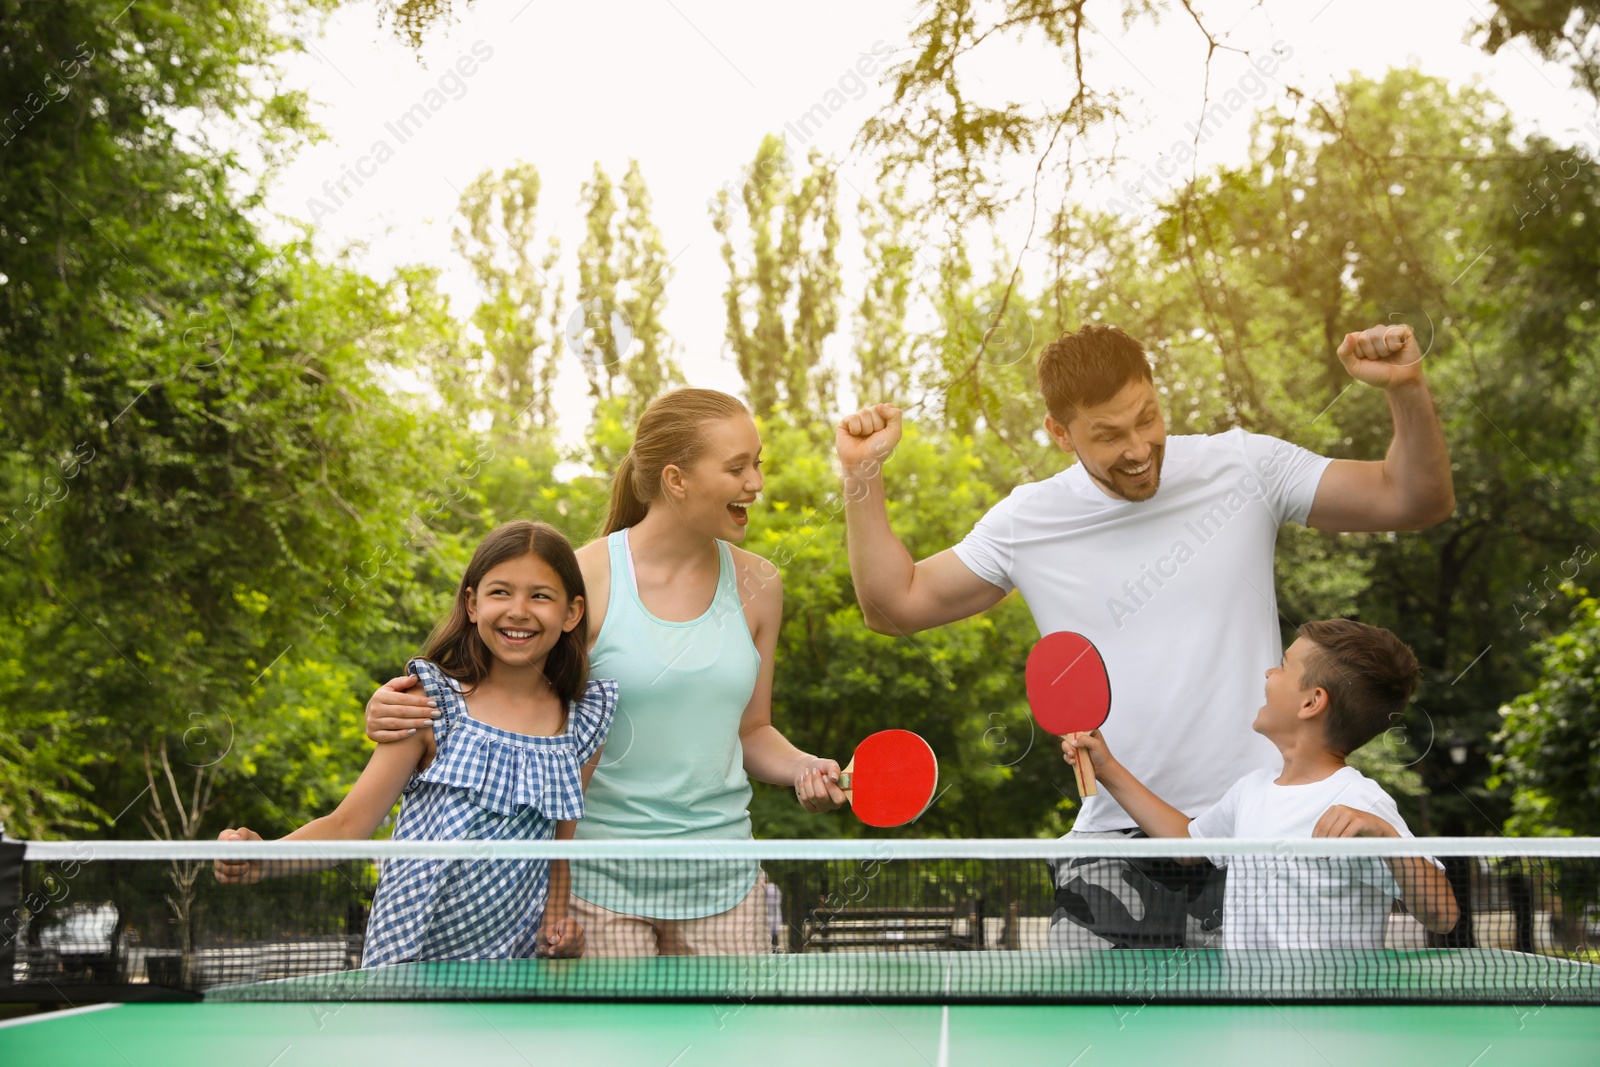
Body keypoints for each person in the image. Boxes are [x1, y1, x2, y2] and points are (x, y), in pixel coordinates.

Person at [837, 322, 1455, 949]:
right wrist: (862, 475)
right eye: (1107, 434)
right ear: (1059, 433)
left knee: (1254, 1042)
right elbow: (892, 607)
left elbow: (1414, 499)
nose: (1137, 448)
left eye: (1147, 418)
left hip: (1252, 842)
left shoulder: (1244, 465)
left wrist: (1404, 388)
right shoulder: (1028, 519)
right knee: (1094, 1047)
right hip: (1112, 848)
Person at [365, 389, 844, 957]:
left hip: (725, 886)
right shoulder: (584, 578)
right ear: (677, 479)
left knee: (733, 1049)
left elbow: (751, 730)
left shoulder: (761, 584)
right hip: (596, 891)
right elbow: (505, 698)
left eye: (757, 464)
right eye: (737, 467)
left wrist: (803, 769)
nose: (756, 483)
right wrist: (404, 705)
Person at [215, 520, 616, 965]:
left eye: (540, 596)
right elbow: (348, 827)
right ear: (471, 603)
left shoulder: (582, 722)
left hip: (511, 967)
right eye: (500, 592)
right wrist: (265, 858)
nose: (518, 611)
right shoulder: (427, 705)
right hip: (409, 960)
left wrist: (559, 925)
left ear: (572, 612)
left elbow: (559, 851)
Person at [1062, 619, 1460, 948]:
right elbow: (1186, 845)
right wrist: (1108, 768)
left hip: (1333, 1023)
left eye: (1284, 666)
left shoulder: (1360, 802)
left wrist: (1386, 838)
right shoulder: (1252, 790)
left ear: (1311, 703)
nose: (1270, 672)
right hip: (1252, 1008)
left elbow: (1442, 914)